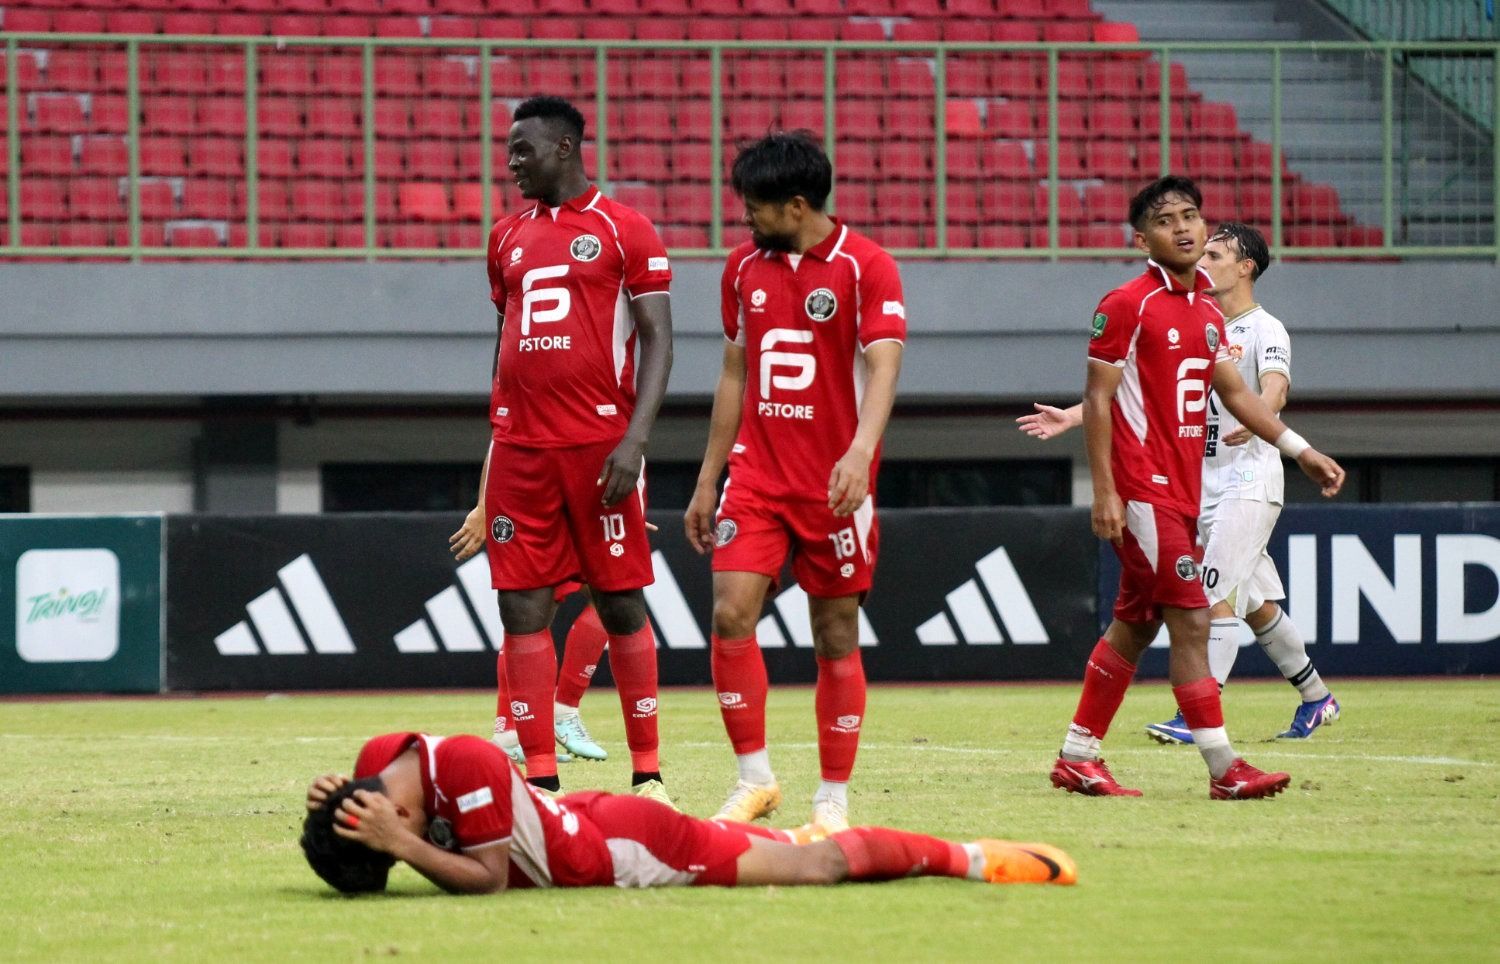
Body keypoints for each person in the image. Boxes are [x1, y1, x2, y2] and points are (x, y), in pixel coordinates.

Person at [1042, 176, 1345, 800]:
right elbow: (1099, 400)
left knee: (1134, 622)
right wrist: (1105, 491)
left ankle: (1077, 755)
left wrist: (1301, 449)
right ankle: (1224, 767)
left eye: (1191, 216)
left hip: (1183, 492)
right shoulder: (1127, 303)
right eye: (1164, 220)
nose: (1182, 228)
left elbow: (1238, 396)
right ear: (1142, 238)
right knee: (1192, 619)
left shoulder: (1208, 314)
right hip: (1142, 489)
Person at [683, 133, 905, 834]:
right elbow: (732, 375)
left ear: (798, 205)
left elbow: (885, 368)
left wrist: (859, 452)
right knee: (728, 614)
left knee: (835, 633)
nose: (744, 220)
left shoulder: (867, 267)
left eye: (754, 208)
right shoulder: (742, 268)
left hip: (836, 486)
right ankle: (755, 780)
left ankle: (832, 799)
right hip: (757, 478)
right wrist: (707, 479)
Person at [467, 95, 673, 803]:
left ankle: (647, 776)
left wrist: (635, 439)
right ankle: (543, 782)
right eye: (508, 151)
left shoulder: (625, 229)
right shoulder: (505, 238)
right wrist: (497, 436)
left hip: (599, 446)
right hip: (522, 450)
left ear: (563, 147)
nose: (512, 163)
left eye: (522, 150)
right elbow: (505, 338)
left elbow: (659, 340)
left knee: (619, 605)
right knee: (521, 610)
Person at [300, 732, 1077, 894]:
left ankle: (969, 857)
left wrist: (401, 845)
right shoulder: (379, 765)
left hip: (631, 849)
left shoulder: (462, 759)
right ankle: (951, 853)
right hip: (590, 816)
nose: (401, 848)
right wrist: (356, 813)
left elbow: (487, 879)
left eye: (391, 842)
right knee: (787, 843)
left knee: (816, 864)